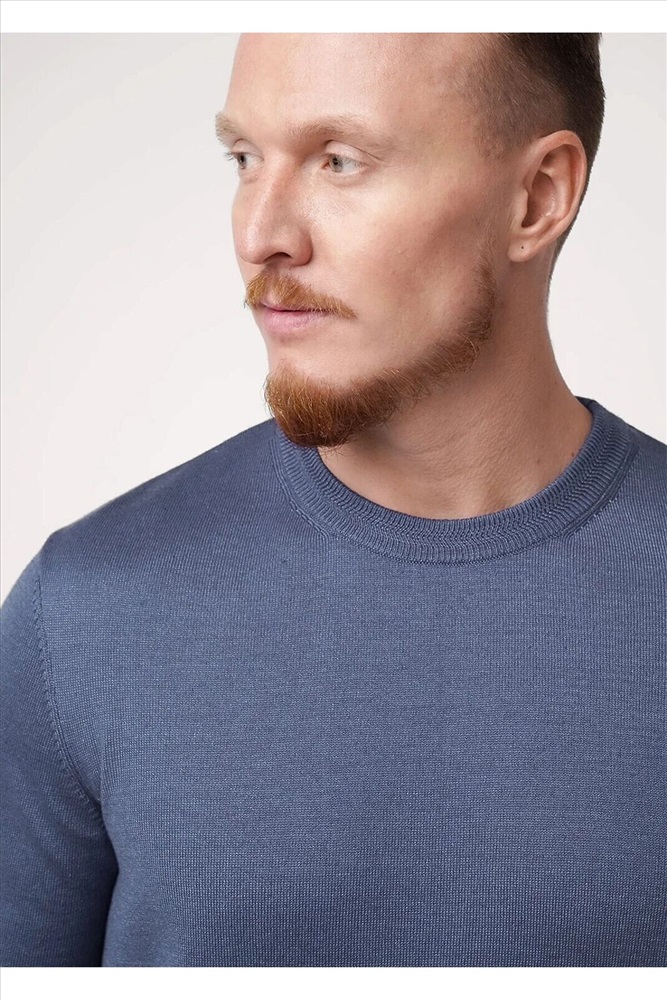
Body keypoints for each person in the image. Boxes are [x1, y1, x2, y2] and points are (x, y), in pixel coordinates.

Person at [1, 32, 665, 968]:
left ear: (537, 197)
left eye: (338, 160)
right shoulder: (84, 615)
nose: (260, 233)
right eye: (244, 158)